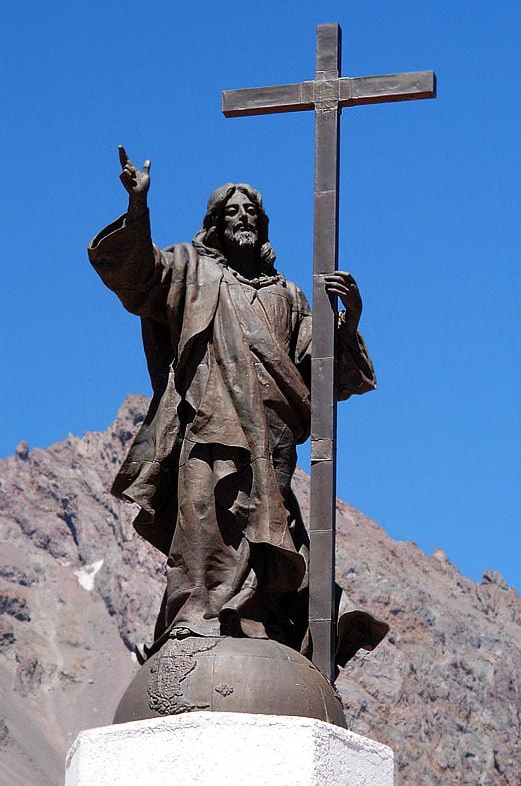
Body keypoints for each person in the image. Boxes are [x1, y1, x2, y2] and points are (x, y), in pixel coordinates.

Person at [89, 146, 388, 666]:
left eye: (251, 211)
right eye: (232, 211)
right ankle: (194, 624)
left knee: (267, 533)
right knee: (202, 524)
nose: (243, 217)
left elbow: (322, 375)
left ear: (263, 224)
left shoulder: (289, 297)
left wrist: (350, 320)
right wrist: (138, 207)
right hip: (208, 427)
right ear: (216, 223)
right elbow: (140, 276)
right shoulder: (192, 272)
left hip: (271, 440)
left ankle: (263, 626)